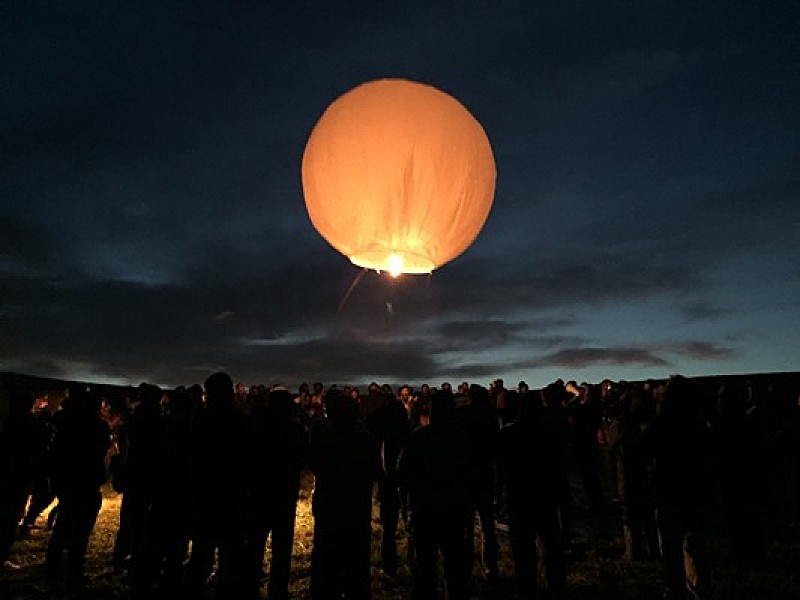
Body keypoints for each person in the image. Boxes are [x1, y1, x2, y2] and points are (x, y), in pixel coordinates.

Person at [398, 388, 476, 600]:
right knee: (454, 569)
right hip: (453, 511)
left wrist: (408, 505)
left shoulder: (419, 437)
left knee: (425, 569)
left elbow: (402, 474)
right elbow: (472, 476)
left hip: (425, 511)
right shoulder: (462, 439)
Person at [640, 375, 713, 600]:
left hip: (669, 491)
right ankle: (699, 588)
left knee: (671, 548)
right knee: (693, 544)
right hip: (695, 490)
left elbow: (642, 449)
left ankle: (675, 589)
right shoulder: (699, 422)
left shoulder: (662, 423)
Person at [184, 372, 253, 599]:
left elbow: (192, 461)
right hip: (231, 499)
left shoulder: (200, 423)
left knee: (202, 555)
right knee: (229, 557)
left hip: (207, 498)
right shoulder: (241, 423)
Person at [308, 389, 379, 600]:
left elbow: (314, 464)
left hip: (329, 504)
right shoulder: (365, 438)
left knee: (326, 556)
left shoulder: (323, 435)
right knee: (356, 559)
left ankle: (325, 590)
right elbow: (374, 470)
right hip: (356, 507)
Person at [496, 386, 566, 597]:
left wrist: (500, 492)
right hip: (545, 495)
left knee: (523, 548)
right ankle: (556, 585)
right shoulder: (548, 432)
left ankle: (527, 587)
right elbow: (558, 464)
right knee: (551, 545)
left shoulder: (508, 433)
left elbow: (500, 465)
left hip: (520, 496)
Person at [246, 387, 310, 600]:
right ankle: (278, 590)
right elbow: (304, 459)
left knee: (254, 543)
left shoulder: (255, 427)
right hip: (284, 493)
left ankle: (250, 585)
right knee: (282, 547)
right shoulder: (295, 430)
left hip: (259, 492)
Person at [45, 387, 111, 587]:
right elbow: (100, 451)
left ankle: (53, 568)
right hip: (86, 481)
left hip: (67, 479)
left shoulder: (63, 422)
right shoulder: (98, 427)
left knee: (64, 524)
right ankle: (73, 569)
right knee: (80, 529)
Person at [455, 383, 500, 583]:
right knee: (487, 524)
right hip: (484, 473)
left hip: (466, 474)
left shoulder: (462, 415)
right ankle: (490, 566)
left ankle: (464, 568)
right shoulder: (490, 416)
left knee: (466, 525)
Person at [368, 383, 412, 578]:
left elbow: (383, 464)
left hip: (391, 483)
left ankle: (389, 564)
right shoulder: (409, 436)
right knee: (409, 523)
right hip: (405, 484)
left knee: (389, 525)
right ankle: (410, 562)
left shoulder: (384, 438)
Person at [0, 392, 46, 570]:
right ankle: (2, 555)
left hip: (8, 472)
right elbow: (37, 447)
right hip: (19, 474)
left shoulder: (9, 420)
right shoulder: (29, 423)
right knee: (11, 515)